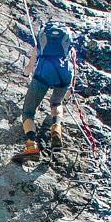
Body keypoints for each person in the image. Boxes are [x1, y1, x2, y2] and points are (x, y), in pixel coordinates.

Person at [21, 17, 79, 159]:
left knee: (28, 111)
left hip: (44, 72)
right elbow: (74, 66)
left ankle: (31, 145)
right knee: (57, 102)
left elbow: (31, 64)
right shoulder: (68, 44)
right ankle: (56, 130)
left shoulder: (41, 40)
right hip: (64, 74)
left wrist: (26, 72)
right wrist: (71, 88)